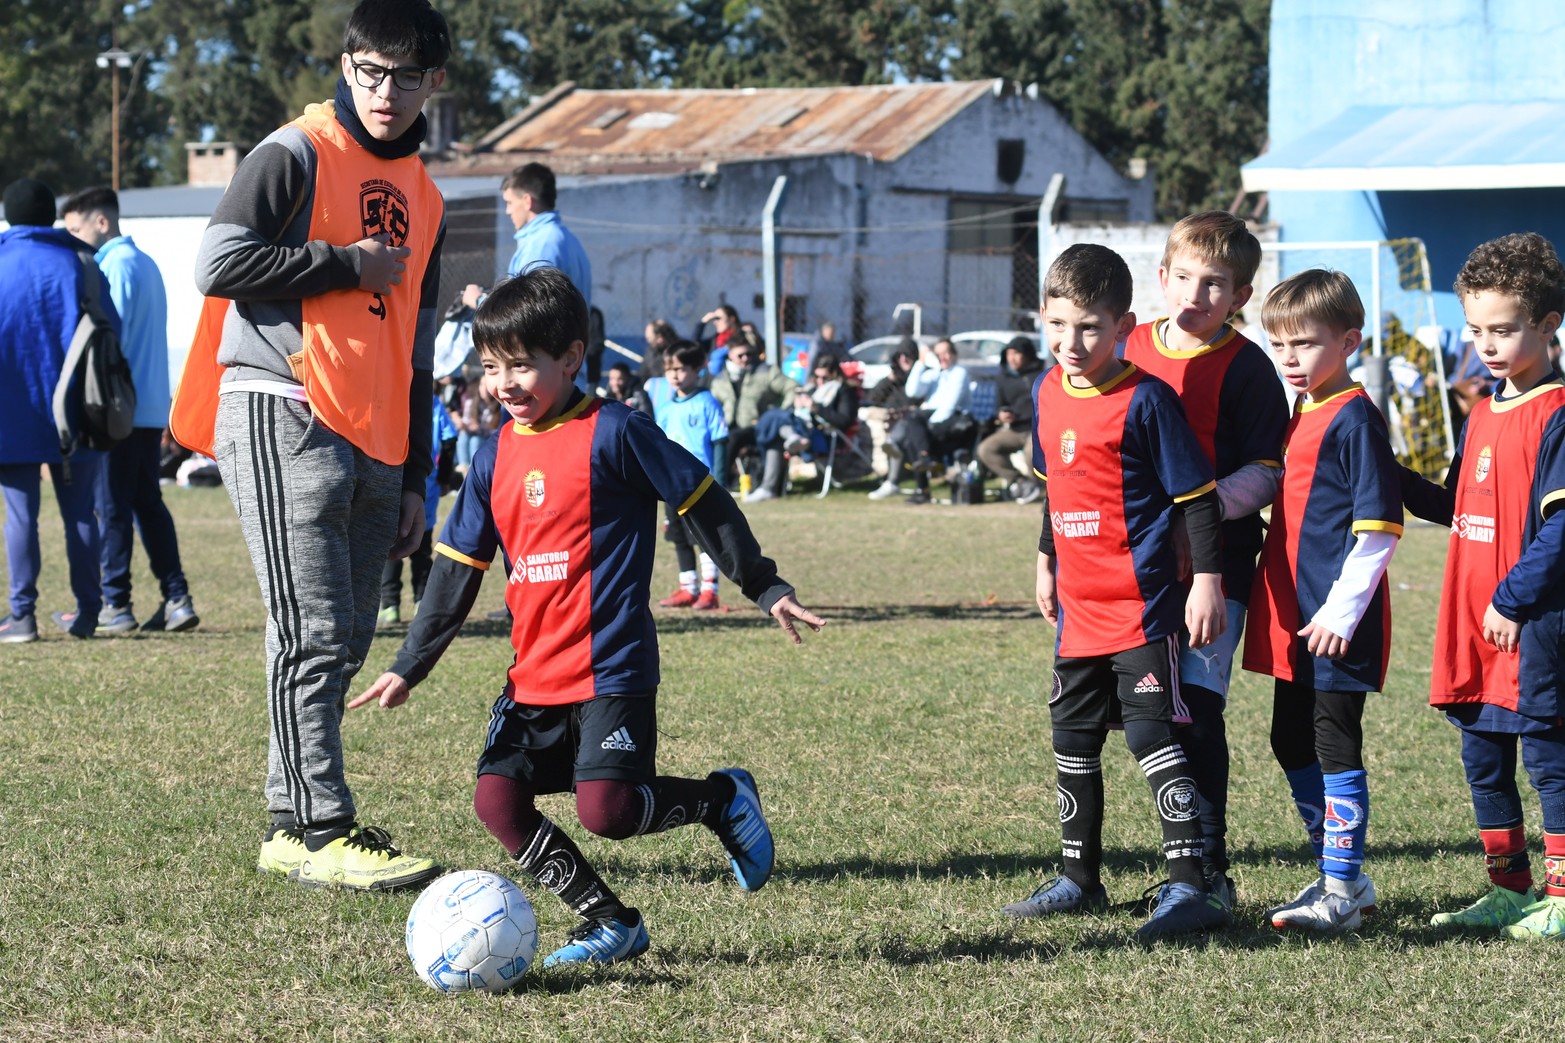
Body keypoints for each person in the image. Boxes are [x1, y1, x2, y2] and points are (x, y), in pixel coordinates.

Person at [347, 268, 823, 966]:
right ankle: (610, 922)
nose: (504, 383)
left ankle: (723, 800)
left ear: (569, 358)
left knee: (609, 812)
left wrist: (762, 582)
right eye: (489, 367)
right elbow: (454, 569)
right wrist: (408, 664)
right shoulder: (492, 455)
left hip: (610, 668)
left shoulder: (617, 432)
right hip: (532, 674)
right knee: (496, 803)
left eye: (521, 365)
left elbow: (700, 498)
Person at [174, 0, 452, 890]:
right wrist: (343, 262)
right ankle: (318, 825)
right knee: (315, 627)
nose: (384, 90)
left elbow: (416, 346)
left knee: (346, 634)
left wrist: (416, 474)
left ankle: (294, 817)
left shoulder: (429, 195)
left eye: (405, 76)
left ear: (433, 84)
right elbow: (216, 263)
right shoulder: (291, 152)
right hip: (279, 403)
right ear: (346, 63)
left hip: (377, 432)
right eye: (369, 70)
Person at [1003, 243, 1231, 940]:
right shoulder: (1045, 389)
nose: (1072, 343)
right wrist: (1045, 560)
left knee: (1149, 737)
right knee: (1071, 739)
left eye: (1090, 327)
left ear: (1123, 324)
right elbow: (1055, 490)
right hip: (1077, 607)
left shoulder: (1146, 399)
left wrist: (1207, 586)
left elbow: (1197, 498)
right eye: (1058, 325)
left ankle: (1192, 885)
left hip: (1141, 607)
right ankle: (1078, 877)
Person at [1121, 210, 1289, 909]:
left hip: (1214, 568)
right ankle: (1172, 868)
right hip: (1129, 568)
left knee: (1199, 712)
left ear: (1240, 297)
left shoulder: (1247, 366)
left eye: (1213, 284)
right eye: (1183, 278)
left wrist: (1200, 510)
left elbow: (1269, 470)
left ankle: (1209, 874)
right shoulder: (1124, 345)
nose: (1194, 295)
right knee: (1146, 717)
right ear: (1161, 277)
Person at [1401, 232, 1565, 939]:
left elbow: (1560, 530)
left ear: (1548, 323)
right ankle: (1508, 888)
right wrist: (1387, 473)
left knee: (1549, 757)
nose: (1486, 345)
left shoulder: (1557, 412)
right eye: (1474, 330)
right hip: (1472, 619)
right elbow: (1456, 506)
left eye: (1502, 329)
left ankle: (1562, 897)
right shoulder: (1477, 413)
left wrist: (1510, 598)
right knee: (1482, 754)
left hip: (1530, 619)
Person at [1241, 270, 1403, 931]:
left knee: (1333, 740)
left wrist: (1341, 611)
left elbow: (1378, 526)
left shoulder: (1356, 417)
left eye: (1304, 344)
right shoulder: (1302, 409)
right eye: (1279, 345)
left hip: (1338, 619)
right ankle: (1340, 877)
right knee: (1287, 737)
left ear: (1348, 341)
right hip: (1293, 615)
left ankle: (1340, 889)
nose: (1289, 359)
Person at [59, 186, 199, 635]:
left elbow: (103, 343)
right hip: (150, 406)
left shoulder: (111, 266)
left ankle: (115, 604)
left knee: (112, 507)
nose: (75, 240)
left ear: (102, 222)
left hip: (118, 409)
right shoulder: (147, 263)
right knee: (146, 503)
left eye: (77, 230)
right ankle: (177, 597)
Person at [0, 177, 113, 643]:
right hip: (78, 411)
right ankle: (88, 613)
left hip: (10, 412)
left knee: (20, 515)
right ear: (50, 215)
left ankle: (21, 617)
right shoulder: (81, 262)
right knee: (81, 514)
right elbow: (111, 332)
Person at [656, 340, 729, 610]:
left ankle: (710, 592)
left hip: (701, 485)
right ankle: (689, 588)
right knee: (678, 537)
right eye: (669, 369)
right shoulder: (665, 409)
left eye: (680, 368)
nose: (674, 375)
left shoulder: (707, 402)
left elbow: (721, 441)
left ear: (698, 368)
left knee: (702, 538)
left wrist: (719, 480)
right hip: (672, 486)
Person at [378, 394, 458, 627]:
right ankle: (422, 602)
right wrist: (444, 478)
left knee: (391, 550)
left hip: (392, 480)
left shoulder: (390, 393)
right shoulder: (432, 402)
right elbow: (449, 438)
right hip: (425, 486)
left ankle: (390, 606)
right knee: (422, 550)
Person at [746, 352, 859, 502]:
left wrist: (815, 408)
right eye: (816, 377)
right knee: (775, 433)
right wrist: (797, 406)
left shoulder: (844, 391)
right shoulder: (812, 389)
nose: (820, 381)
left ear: (834, 374)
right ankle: (768, 488)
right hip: (804, 431)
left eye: (824, 378)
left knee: (774, 417)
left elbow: (844, 420)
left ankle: (791, 439)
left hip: (823, 436)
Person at [886, 338, 974, 505]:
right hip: (933, 419)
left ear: (954, 354)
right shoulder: (935, 373)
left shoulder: (959, 373)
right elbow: (912, 391)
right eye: (938, 354)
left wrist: (929, 427)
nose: (943, 357)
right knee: (912, 425)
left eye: (946, 353)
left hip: (955, 421)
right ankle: (923, 467)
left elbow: (950, 405)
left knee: (915, 433)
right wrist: (920, 362)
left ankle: (923, 481)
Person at [710, 336, 797, 486]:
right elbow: (713, 404)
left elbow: (792, 388)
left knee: (733, 438)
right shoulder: (720, 379)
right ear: (730, 355)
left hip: (757, 426)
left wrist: (780, 412)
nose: (745, 359)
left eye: (749, 354)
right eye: (740, 355)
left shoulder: (765, 372)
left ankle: (719, 483)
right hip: (727, 425)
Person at [977, 336, 1047, 504]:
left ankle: (1045, 490)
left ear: (1027, 354)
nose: (1012, 358)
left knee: (1032, 452)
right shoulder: (1003, 378)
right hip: (1015, 429)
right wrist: (1002, 415)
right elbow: (999, 406)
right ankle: (1022, 482)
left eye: (1016, 353)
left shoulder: (1041, 374)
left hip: (1037, 428)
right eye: (1009, 354)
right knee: (986, 449)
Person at [866, 339, 920, 499]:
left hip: (909, 420)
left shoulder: (920, 377)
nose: (904, 359)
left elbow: (916, 401)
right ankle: (885, 470)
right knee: (878, 424)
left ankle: (889, 477)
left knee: (894, 436)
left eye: (908, 356)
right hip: (887, 420)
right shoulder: (893, 379)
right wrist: (889, 380)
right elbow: (874, 398)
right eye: (901, 356)